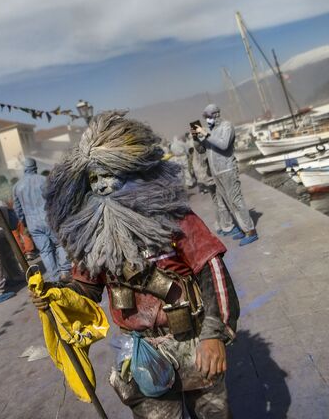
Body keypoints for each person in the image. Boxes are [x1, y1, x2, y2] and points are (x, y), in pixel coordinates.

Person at [34, 111, 239, 418]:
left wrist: (214, 335)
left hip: (195, 342)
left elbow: (213, 272)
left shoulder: (175, 218)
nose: (102, 186)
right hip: (142, 352)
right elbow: (85, 288)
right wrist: (55, 294)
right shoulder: (93, 236)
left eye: (109, 175)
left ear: (132, 173)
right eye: (95, 179)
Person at [193, 104, 258, 246]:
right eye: (205, 117)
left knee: (236, 200)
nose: (207, 120)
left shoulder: (226, 126)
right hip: (216, 172)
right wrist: (196, 139)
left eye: (209, 116)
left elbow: (223, 145)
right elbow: (201, 150)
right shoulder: (210, 130)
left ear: (216, 114)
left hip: (227, 169)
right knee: (229, 203)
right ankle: (242, 228)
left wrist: (206, 134)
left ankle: (250, 231)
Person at [13, 158, 70, 280]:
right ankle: (65, 271)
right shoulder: (44, 181)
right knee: (60, 244)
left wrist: (24, 223)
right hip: (49, 219)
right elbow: (56, 201)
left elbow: (18, 209)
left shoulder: (17, 187)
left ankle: (55, 277)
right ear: (35, 167)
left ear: (24, 168)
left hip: (32, 223)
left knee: (45, 251)